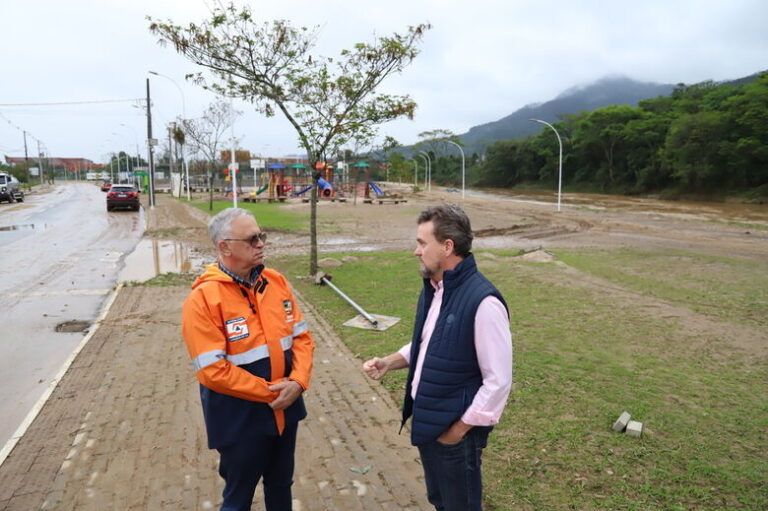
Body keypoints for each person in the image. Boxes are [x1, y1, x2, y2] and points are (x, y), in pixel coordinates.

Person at [363, 204, 512, 511]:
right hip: (430, 424)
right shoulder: (436, 289)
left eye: (421, 243)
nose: (416, 251)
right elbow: (429, 342)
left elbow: (498, 382)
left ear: (447, 246)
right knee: (440, 501)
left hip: (456, 435)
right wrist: (388, 362)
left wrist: (456, 432)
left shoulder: (484, 302)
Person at [182, 207, 314, 511]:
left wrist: (298, 382)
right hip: (239, 420)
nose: (261, 244)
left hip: (286, 409)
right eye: (252, 239)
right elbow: (212, 371)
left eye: (261, 236)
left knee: (281, 485)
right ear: (224, 247)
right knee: (239, 498)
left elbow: (302, 338)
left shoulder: (276, 282)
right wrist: (273, 392)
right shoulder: (203, 300)